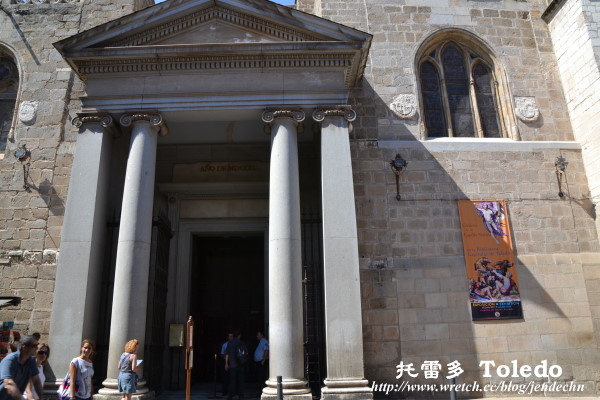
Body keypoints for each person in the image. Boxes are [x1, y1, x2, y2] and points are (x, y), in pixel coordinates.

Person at [0, 335, 43, 400]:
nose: (37, 348)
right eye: (34, 346)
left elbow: (36, 380)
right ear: (24, 348)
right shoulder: (10, 360)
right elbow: (9, 383)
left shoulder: (31, 361)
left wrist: (41, 398)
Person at [224, 332, 247, 400]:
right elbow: (246, 352)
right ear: (239, 336)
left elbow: (227, 354)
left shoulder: (230, 343)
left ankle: (232, 395)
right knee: (240, 380)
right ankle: (241, 395)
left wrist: (226, 363)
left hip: (232, 364)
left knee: (232, 381)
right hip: (241, 364)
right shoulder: (242, 342)